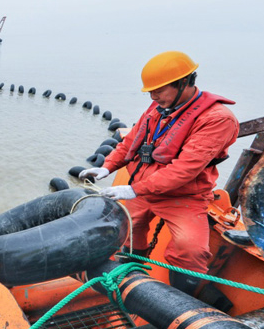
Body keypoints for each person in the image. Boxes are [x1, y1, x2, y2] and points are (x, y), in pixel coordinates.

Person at [80, 51, 239, 296]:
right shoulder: (158, 107)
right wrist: (107, 166)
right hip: (142, 187)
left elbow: (185, 169)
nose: (153, 97)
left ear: (184, 83)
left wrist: (133, 189)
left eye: (159, 90)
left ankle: (180, 300)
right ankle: (129, 278)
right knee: (128, 231)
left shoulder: (218, 119)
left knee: (191, 250)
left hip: (182, 195)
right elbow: (130, 142)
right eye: (151, 92)